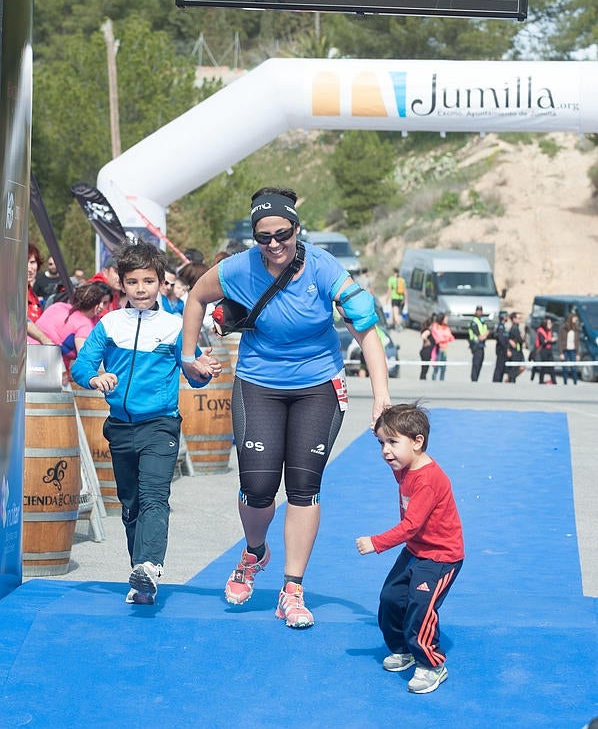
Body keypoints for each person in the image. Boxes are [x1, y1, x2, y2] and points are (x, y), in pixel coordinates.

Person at [181, 186, 391, 628]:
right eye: (263, 237)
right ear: (254, 236)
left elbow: (366, 326)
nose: (274, 244)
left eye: (283, 233)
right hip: (258, 382)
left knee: (303, 486)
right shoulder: (237, 268)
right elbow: (196, 297)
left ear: (297, 228)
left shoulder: (323, 266)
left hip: (319, 383)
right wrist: (188, 354)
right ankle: (255, 551)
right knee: (257, 487)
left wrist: (382, 395)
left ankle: (292, 589)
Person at [71, 240, 221, 606]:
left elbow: (194, 369)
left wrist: (204, 372)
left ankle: (150, 565)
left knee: (155, 497)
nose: (141, 289)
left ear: (160, 283)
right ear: (121, 283)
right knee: (131, 504)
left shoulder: (174, 326)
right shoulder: (110, 324)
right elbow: (81, 366)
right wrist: (94, 379)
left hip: (160, 425)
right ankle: (141, 578)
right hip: (120, 427)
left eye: (149, 281)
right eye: (134, 281)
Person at [356, 403, 464, 695]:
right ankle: (403, 649)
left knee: (421, 609)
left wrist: (376, 542)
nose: (385, 451)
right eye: (381, 443)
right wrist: (384, 427)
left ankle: (431, 664)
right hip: (416, 550)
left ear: (418, 442)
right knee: (390, 597)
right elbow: (413, 533)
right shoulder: (404, 466)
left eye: (392, 442)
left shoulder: (429, 480)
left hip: (440, 557)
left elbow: (411, 527)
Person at [28, 280, 112, 378]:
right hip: (45, 367)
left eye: (105, 302)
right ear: (93, 300)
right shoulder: (85, 325)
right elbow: (85, 357)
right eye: (100, 302)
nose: (102, 306)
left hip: (28, 354)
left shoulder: (58, 306)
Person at [559, 312, 581, 385]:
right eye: (575, 318)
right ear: (571, 318)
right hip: (565, 350)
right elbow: (560, 341)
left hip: (573, 351)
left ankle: (575, 382)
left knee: (574, 368)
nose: (576, 320)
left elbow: (577, 342)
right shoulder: (563, 328)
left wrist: (578, 353)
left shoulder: (576, 329)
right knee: (565, 368)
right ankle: (565, 382)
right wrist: (561, 353)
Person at [430, 312, 454, 381]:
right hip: (438, 349)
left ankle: (442, 382)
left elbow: (451, 337)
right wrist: (445, 337)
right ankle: (434, 380)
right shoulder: (435, 326)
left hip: (444, 349)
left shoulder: (446, 327)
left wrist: (445, 337)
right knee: (436, 367)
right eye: (445, 319)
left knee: (443, 368)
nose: (447, 320)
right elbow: (438, 338)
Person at [468, 305, 489, 382]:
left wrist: (485, 335)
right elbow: (479, 335)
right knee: (476, 363)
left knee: (480, 363)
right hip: (476, 344)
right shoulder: (474, 321)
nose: (479, 312)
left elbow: (487, 330)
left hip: (481, 345)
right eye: (478, 310)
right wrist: (484, 335)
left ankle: (476, 378)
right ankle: (474, 379)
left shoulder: (482, 320)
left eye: (480, 310)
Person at [536, 317, 557, 385]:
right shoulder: (540, 331)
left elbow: (553, 341)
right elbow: (543, 342)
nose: (550, 324)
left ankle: (554, 381)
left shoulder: (550, 331)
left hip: (549, 349)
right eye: (549, 323)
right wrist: (550, 340)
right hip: (543, 350)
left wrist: (549, 340)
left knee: (551, 366)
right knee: (544, 366)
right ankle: (541, 381)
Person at [506, 312, 526, 383]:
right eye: (518, 318)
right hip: (515, 351)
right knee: (514, 368)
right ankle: (510, 381)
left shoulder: (517, 327)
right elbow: (520, 339)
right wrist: (522, 338)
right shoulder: (514, 328)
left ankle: (510, 380)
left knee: (520, 367)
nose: (519, 320)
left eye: (520, 318)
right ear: (513, 319)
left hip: (518, 351)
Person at [492, 311, 510, 383]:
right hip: (501, 350)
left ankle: (499, 380)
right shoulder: (501, 327)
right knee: (499, 366)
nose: (507, 317)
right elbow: (501, 339)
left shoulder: (503, 326)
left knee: (502, 366)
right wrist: (506, 349)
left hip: (503, 350)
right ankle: (496, 380)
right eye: (506, 316)